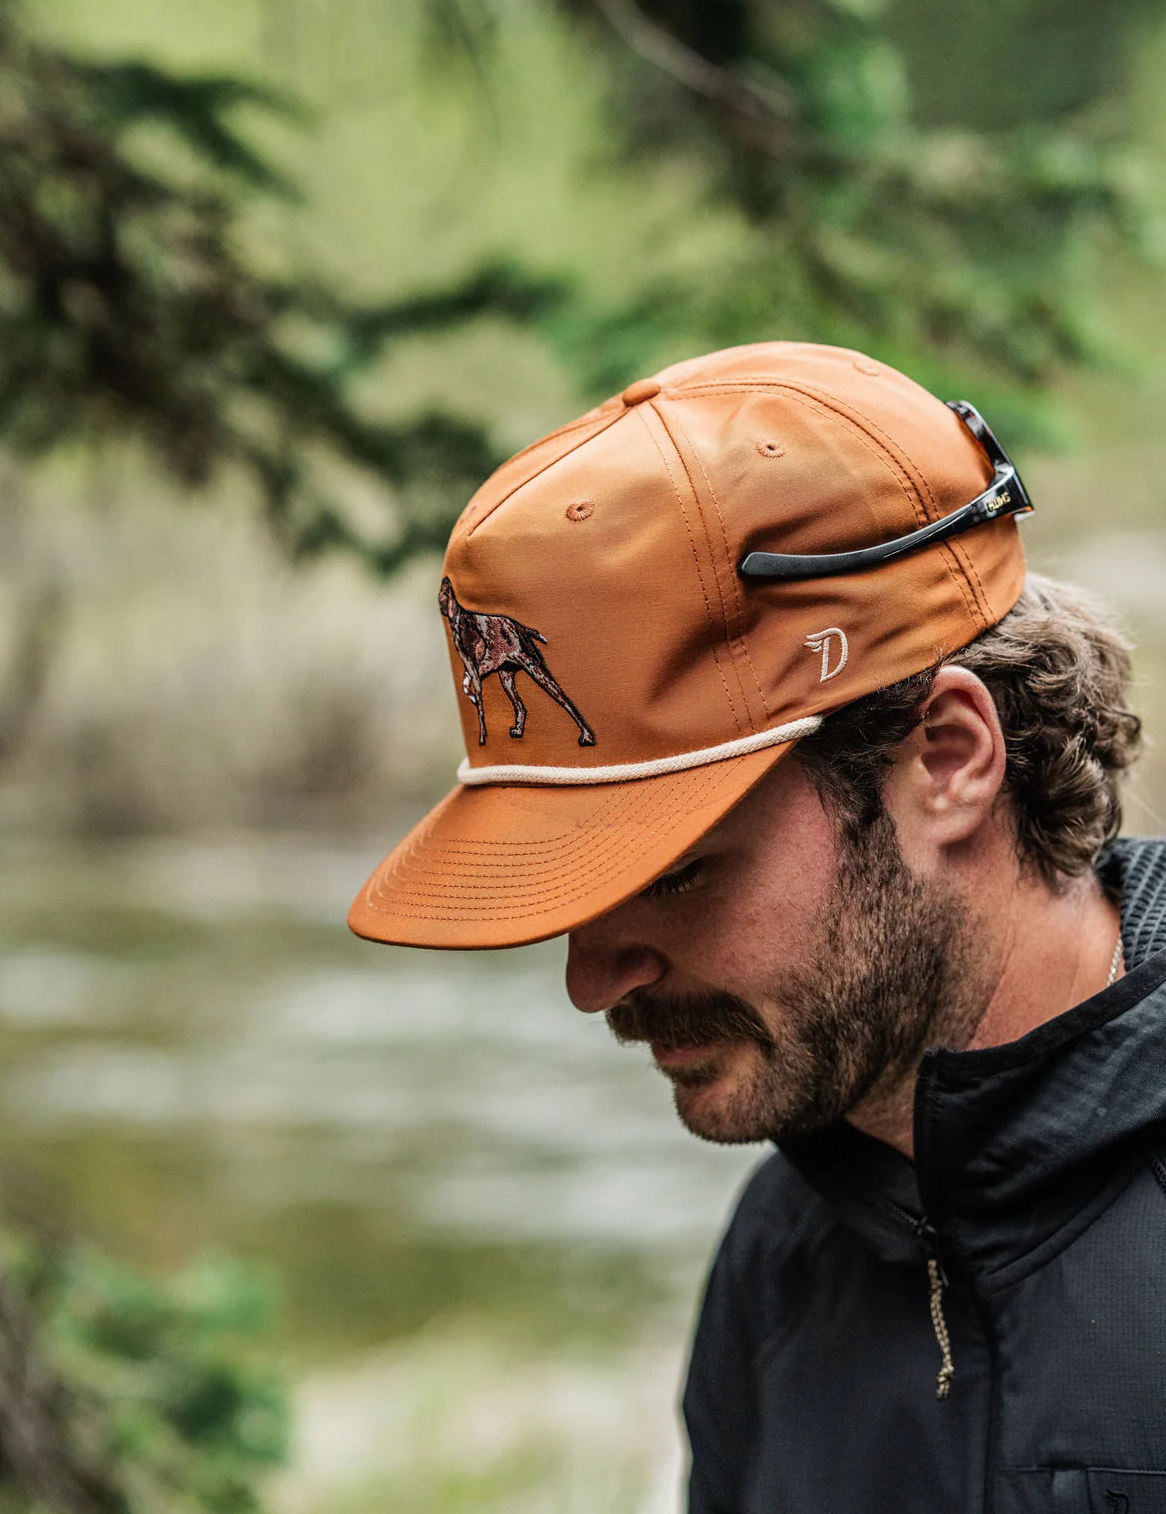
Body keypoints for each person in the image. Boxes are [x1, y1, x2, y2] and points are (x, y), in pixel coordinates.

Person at [349, 342, 1164, 1513]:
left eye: (678, 874)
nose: (592, 980)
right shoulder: (786, 1255)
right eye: (576, 891)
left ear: (948, 758)